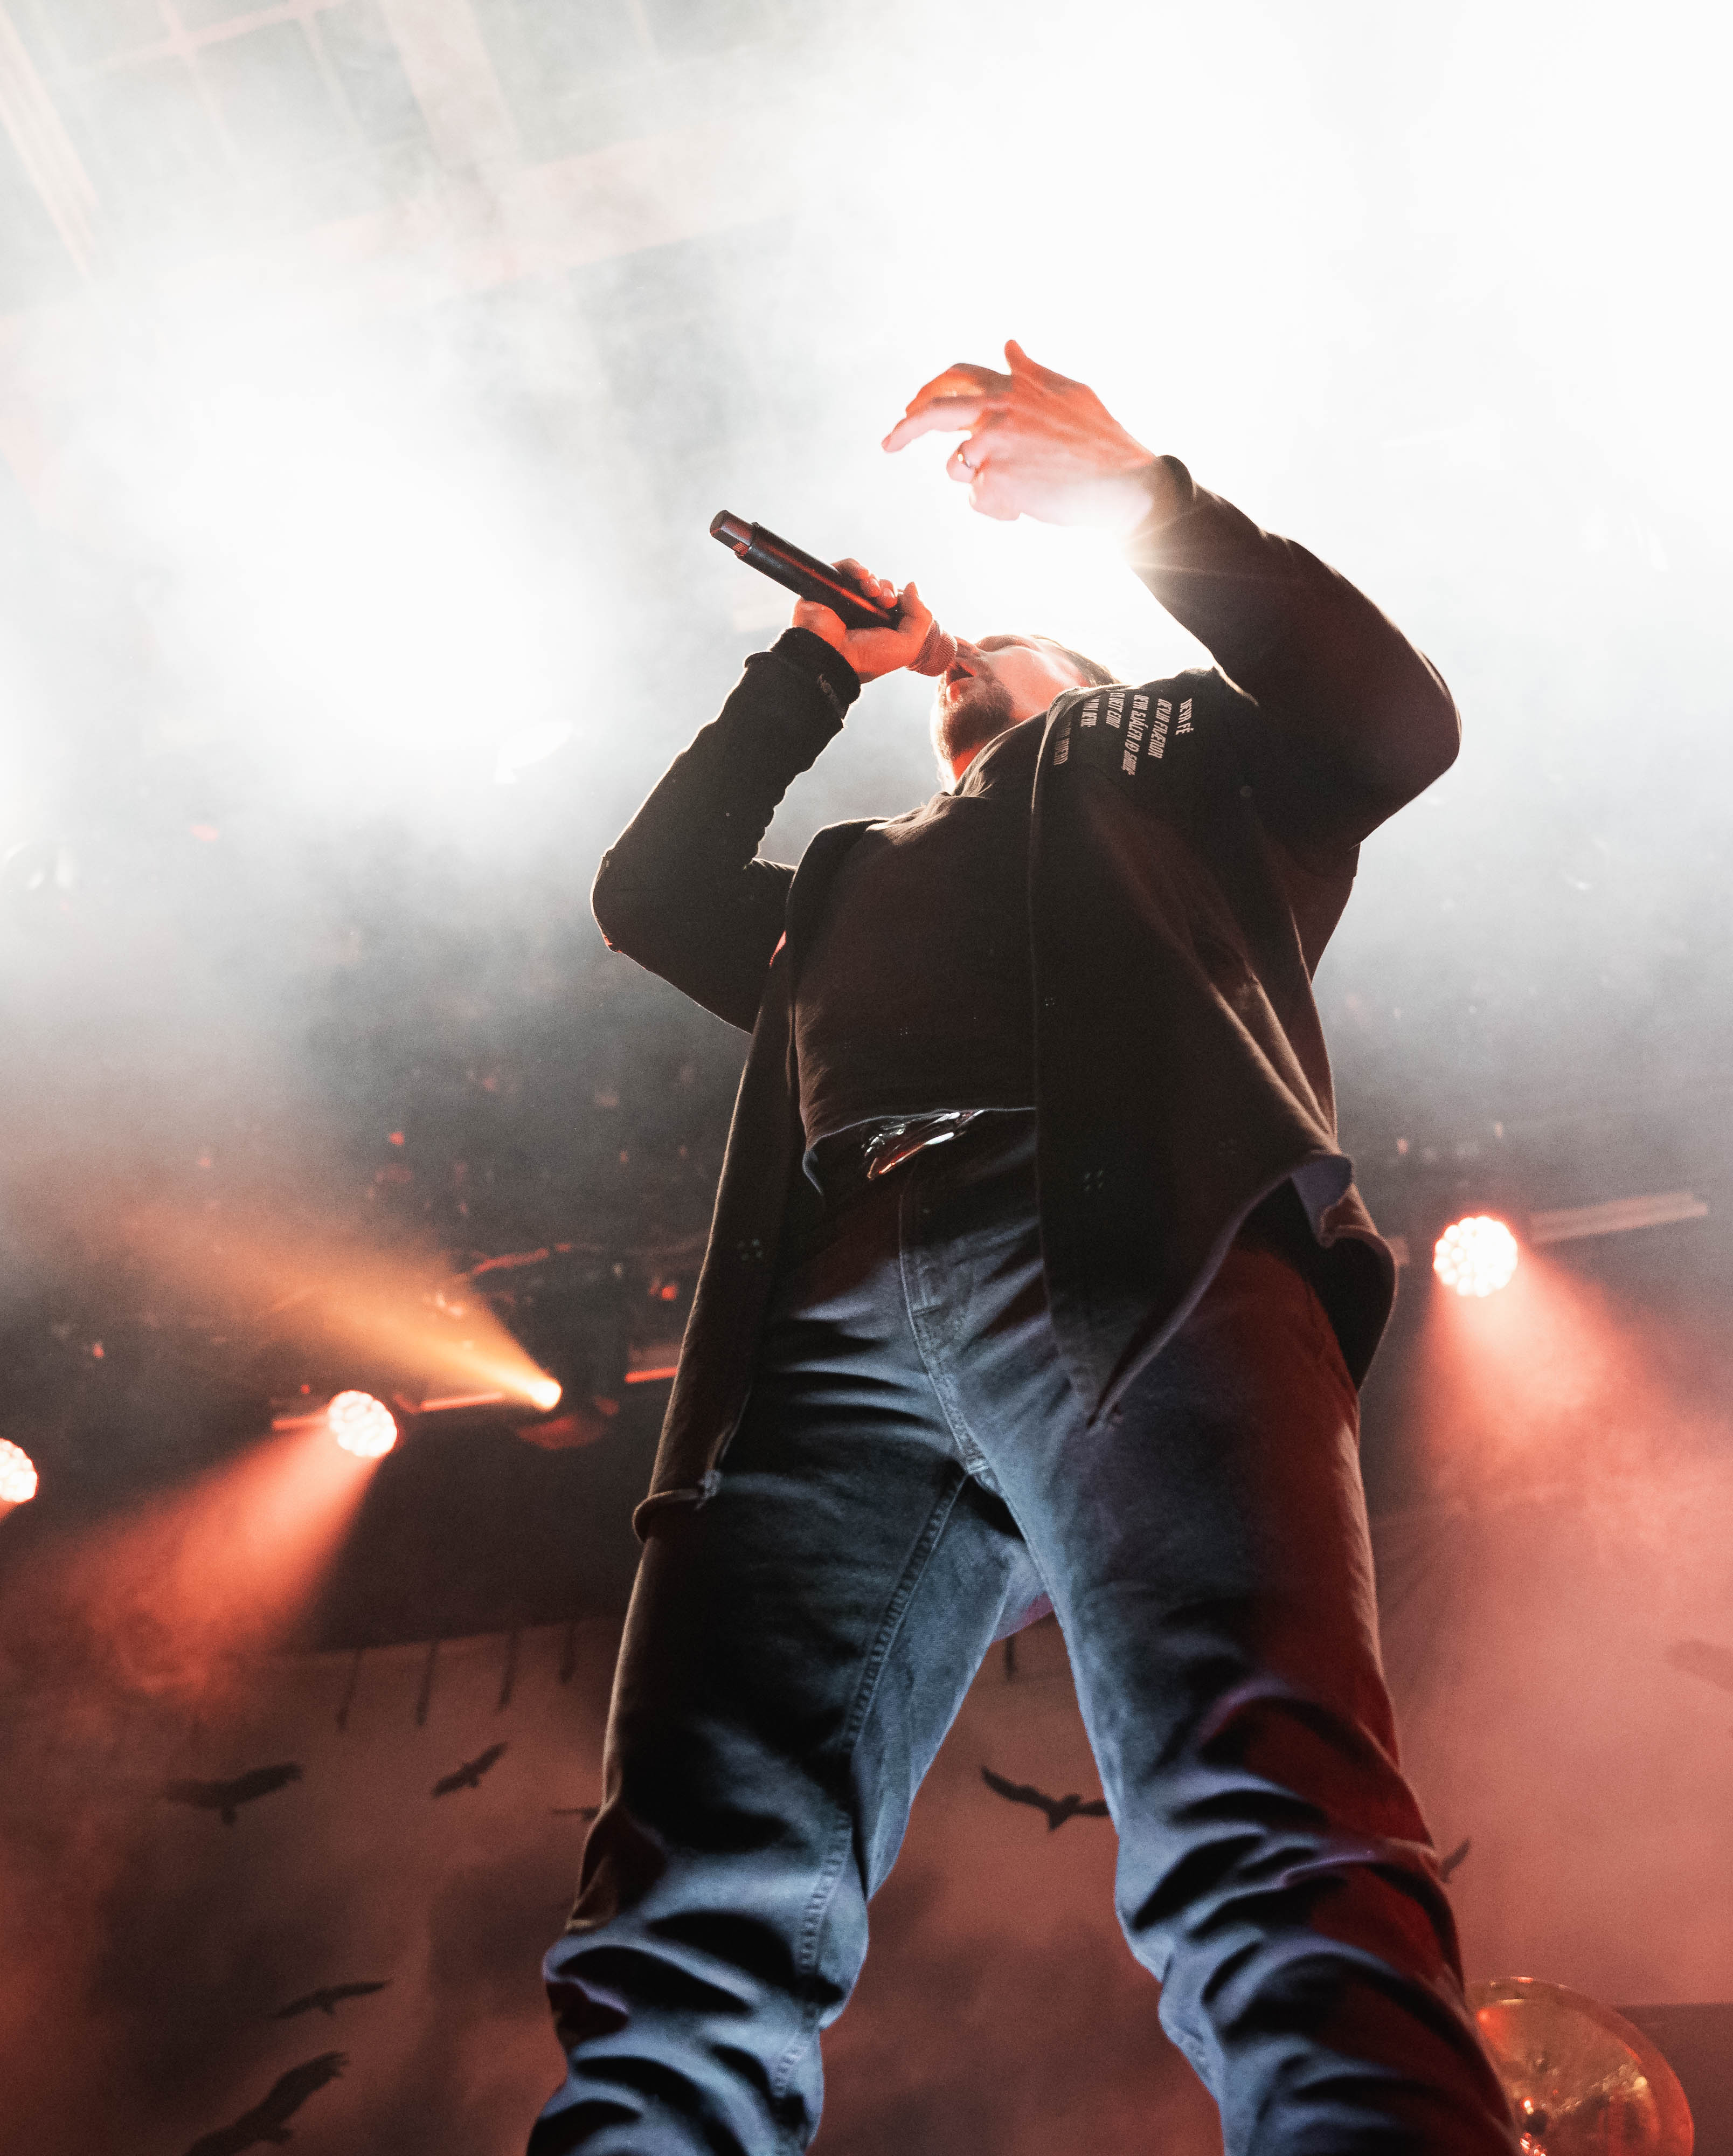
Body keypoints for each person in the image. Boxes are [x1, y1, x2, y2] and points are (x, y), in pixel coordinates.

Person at [532, 343, 1513, 2154]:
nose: (972, 651)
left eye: (1017, 646)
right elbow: (650, 894)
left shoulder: (1195, 766)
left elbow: (1397, 722)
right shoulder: (853, 879)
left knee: (1261, 1827)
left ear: (1104, 686)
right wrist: (810, 673)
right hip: (818, 1327)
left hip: (1135, 1240)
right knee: (681, 1924)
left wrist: (1142, 498)